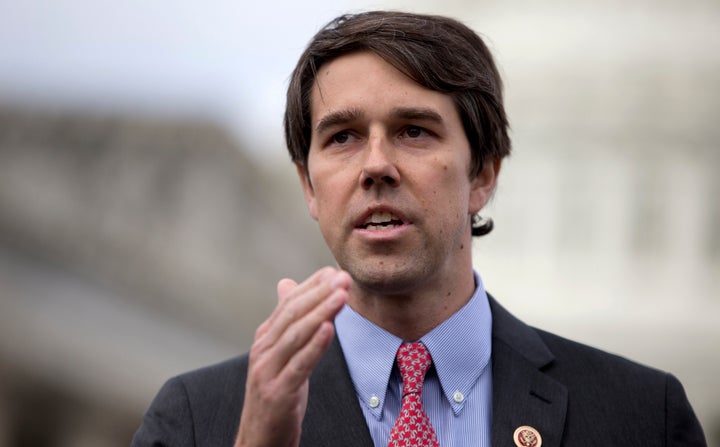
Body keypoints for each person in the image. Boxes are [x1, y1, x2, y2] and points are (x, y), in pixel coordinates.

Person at [132, 10, 706, 447]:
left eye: (413, 131)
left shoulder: (639, 415)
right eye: (342, 137)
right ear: (309, 186)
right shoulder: (196, 418)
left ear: (483, 173)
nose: (376, 165)